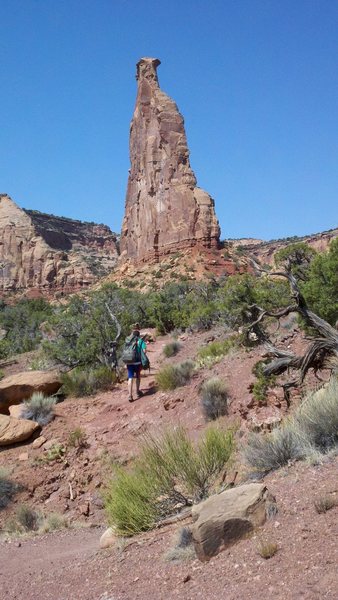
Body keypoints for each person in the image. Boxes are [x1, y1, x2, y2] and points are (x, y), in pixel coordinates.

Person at [126, 323, 148, 402]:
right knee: (138, 377)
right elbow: (144, 351)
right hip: (137, 362)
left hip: (129, 361)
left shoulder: (128, 339)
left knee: (130, 377)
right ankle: (137, 392)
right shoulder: (140, 340)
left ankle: (130, 395)